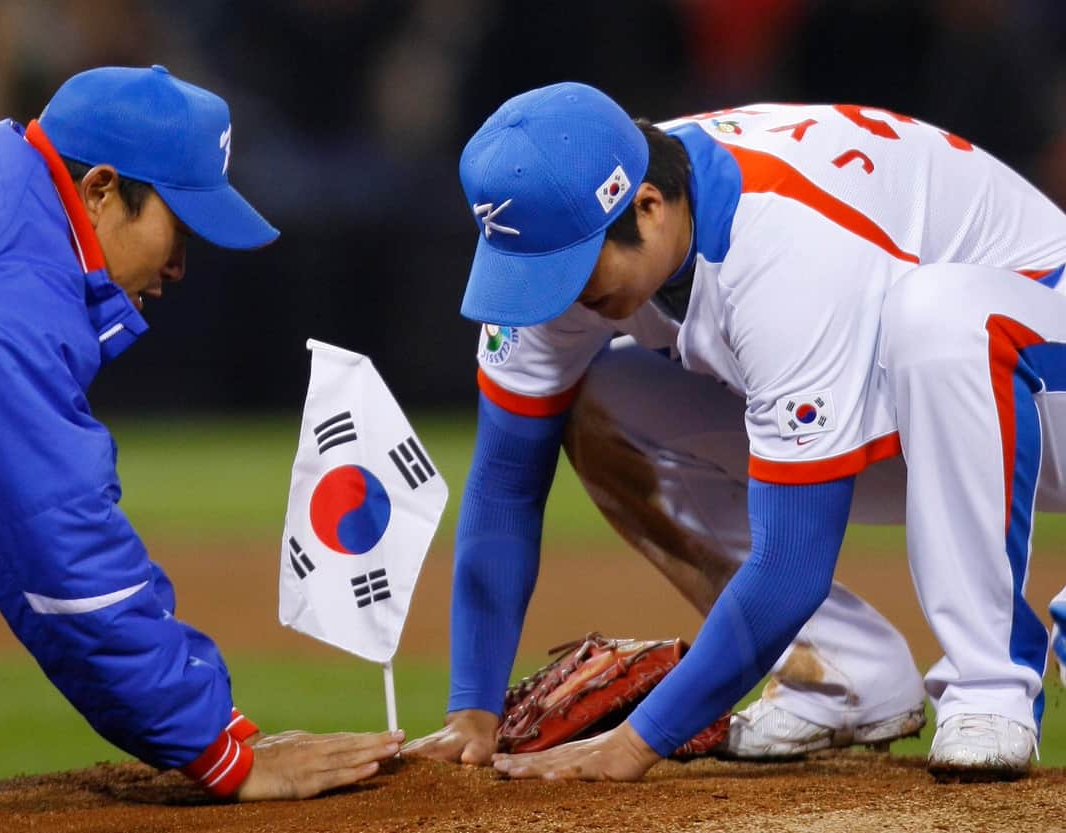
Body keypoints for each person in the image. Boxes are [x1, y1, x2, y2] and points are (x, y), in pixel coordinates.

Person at [405, 83, 1066, 782]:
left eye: (567, 266)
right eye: (532, 270)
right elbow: (505, 483)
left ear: (648, 206)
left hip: (1040, 383)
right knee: (601, 401)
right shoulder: (577, 216)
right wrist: (472, 707)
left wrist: (634, 743)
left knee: (938, 317)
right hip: (915, 406)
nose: (553, 293)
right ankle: (842, 675)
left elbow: (792, 564)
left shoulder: (783, 245)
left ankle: (989, 686)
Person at [0, 65, 401, 803]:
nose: (179, 266)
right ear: (101, 190)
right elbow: (62, 556)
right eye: (178, 229)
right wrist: (222, 752)